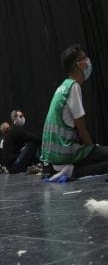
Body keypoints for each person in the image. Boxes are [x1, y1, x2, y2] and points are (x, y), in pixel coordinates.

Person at [41, 45, 108, 179]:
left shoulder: (63, 87)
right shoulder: (73, 86)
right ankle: (73, 171)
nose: (88, 61)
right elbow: (81, 129)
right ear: (79, 64)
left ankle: (70, 170)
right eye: (85, 58)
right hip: (66, 153)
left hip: (52, 157)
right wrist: (92, 149)